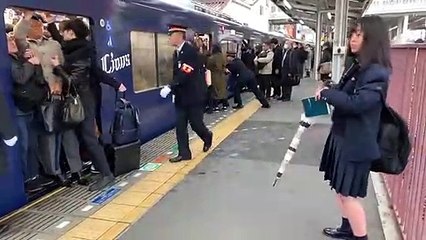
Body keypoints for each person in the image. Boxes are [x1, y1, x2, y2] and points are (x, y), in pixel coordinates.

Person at [315, 15, 391, 240]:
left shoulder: (376, 72)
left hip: (356, 143)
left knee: (348, 195)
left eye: (359, 35)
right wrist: (330, 89)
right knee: (341, 190)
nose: (353, 39)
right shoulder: (360, 66)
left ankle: (360, 237)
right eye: (352, 34)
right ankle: (347, 230)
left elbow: (357, 104)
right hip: (345, 137)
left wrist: (328, 94)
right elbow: (345, 92)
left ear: (372, 39)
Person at [50, 18, 115, 191]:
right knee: (86, 137)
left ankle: (107, 174)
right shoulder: (77, 48)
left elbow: (73, 81)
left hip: (83, 98)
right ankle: (104, 172)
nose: (61, 35)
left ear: (71, 33)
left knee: (89, 138)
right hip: (82, 97)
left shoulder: (81, 52)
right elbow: (63, 45)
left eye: (63, 31)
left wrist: (57, 68)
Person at [160, 25, 213, 163]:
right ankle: (184, 154)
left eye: (171, 34)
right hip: (181, 97)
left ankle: (207, 136)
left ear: (179, 35)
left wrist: (170, 87)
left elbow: (186, 72)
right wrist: (174, 91)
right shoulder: (177, 53)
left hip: (193, 97)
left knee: (196, 124)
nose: (169, 37)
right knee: (180, 126)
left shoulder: (189, 51)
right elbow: (177, 74)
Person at [207, 44, 228, 111]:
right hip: (222, 75)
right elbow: (225, 65)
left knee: (215, 91)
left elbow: (208, 66)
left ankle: (216, 106)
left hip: (214, 76)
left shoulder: (211, 58)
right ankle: (225, 105)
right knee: (223, 91)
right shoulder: (223, 56)